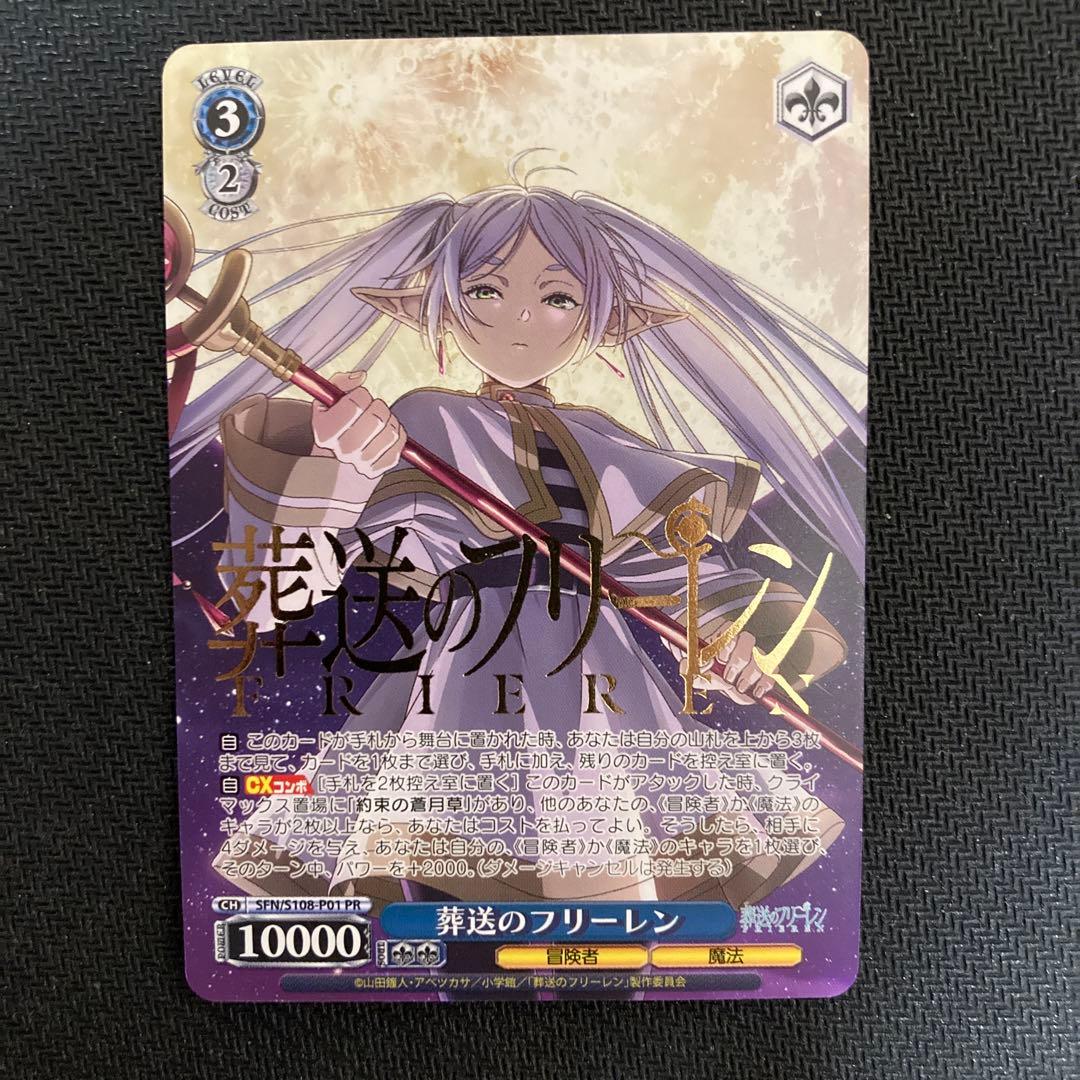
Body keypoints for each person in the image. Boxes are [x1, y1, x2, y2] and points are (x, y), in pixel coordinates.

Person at [175, 154, 865, 911]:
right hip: (470, 675)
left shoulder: (607, 442)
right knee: (462, 895)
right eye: (484, 290)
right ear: (442, 304)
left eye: (558, 296)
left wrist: (729, 647)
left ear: (596, 316)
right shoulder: (424, 421)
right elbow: (275, 593)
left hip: (600, 683)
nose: (522, 319)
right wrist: (340, 474)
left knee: (614, 913)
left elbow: (678, 584)